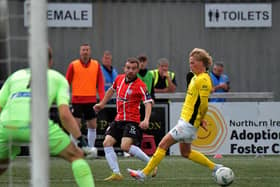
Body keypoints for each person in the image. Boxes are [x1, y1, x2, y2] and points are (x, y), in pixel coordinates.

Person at [0, 47, 95, 187]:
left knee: (2, 164)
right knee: (76, 156)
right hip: (37, 126)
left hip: (6, 126)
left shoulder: (15, 76)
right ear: (50, 62)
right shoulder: (57, 77)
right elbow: (64, 114)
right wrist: (81, 140)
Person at [127, 48, 223, 182]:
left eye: (193, 62)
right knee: (186, 153)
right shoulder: (196, 77)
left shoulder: (204, 80)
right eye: (190, 62)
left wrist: (200, 119)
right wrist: (200, 120)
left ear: (202, 63)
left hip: (187, 124)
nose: (190, 65)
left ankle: (143, 174)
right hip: (188, 122)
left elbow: (204, 104)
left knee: (162, 145)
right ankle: (216, 167)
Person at [94, 57, 157, 181]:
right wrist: (101, 104)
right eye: (128, 68)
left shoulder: (140, 85)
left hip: (132, 120)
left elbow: (149, 102)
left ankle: (152, 164)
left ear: (137, 70)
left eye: (133, 68)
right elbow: (111, 91)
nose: (130, 71)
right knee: (107, 143)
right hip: (118, 119)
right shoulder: (119, 79)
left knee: (125, 146)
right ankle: (116, 173)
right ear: (124, 68)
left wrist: (146, 119)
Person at [66, 44, 105, 153]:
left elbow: (100, 84)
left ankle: (91, 149)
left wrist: (102, 100)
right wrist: (64, 97)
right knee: (75, 125)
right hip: (77, 100)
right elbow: (66, 82)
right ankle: (73, 149)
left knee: (92, 125)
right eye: (83, 50)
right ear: (80, 51)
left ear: (90, 52)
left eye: (87, 50)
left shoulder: (96, 65)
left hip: (91, 100)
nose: (85, 52)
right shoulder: (73, 65)